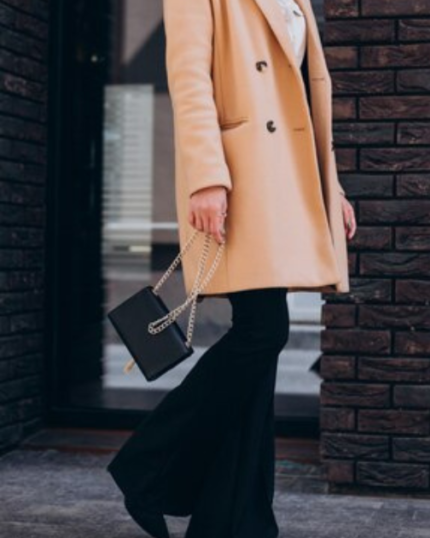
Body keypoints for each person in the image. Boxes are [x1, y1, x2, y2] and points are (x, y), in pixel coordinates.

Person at [106, 1, 357, 537]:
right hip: (241, 175)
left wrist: (330, 186)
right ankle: (145, 467)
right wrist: (205, 176)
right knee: (264, 331)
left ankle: (235, 519)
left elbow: (308, 96)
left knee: (260, 346)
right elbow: (190, 76)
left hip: (287, 178)